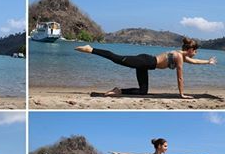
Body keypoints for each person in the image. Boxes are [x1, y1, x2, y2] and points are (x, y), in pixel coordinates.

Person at [75, 37, 216, 98]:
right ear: (190, 49)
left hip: (146, 65)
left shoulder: (182, 56)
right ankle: (91, 49)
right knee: (117, 58)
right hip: (145, 61)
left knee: (143, 91)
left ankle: (118, 90)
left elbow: (194, 62)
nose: (195, 54)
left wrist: (207, 62)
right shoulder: (179, 57)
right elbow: (180, 77)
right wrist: (181, 94)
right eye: (195, 51)